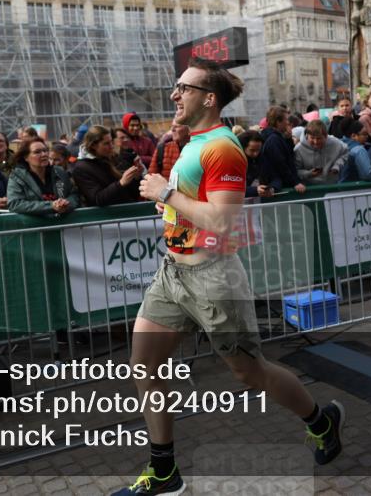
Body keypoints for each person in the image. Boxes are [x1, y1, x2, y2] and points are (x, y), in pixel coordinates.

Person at [114, 57, 343, 495]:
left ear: (209, 98)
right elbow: (187, 207)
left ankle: (321, 419)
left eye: (184, 87)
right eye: (176, 87)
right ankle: (164, 473)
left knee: (249, 372)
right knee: (144, 365)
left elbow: (221, 222)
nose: (175, 94)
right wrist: (161, 198)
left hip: (214, 279)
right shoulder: (193, 142)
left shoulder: (223, 146)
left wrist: (164, 191)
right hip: (172, 274)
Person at [72, 126, 143, 207]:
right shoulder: (81, 168)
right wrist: (121, 183)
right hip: (105, 217)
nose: (111, 146)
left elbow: (132, 193)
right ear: (93, 145)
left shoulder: (114, 158)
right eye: (106, 143)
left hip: (127, 211)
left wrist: (136, 177)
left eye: (111, 142)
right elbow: (97, 199)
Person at [7, 136, 79, 216]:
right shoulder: (17, 177)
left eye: (45, 150)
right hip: (35, 226)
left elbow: (74, 195)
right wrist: (51, 206)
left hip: (63, 224)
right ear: (26, 157)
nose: (44, 154)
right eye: (37, 152)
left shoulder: (59, 172)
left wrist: (66, 204)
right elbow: (15, 204)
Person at [259, 106, 306, 194]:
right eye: (286, 119)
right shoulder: (273, 139)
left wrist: (288, 139)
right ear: (278, 122)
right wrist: (294, 183)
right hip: (280, 186)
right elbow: (281, 164)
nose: (288, 122)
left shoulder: (277, 137)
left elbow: (288, 156)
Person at [294, 120, 348, 185]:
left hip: (332, 186)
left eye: (319, 138)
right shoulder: (298, 149)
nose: (315, 141)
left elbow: (345, 153)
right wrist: (308, 173)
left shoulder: (335, 142)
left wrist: (337, 166)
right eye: (312, 138)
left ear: (326, 136)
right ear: (307, 135)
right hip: (309, 189)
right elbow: (295, 170)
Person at [338, 118, 371, 183]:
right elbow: (367, 174)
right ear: (353, 136)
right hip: (355, 189)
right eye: (364, 134)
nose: (367, 136)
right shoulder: (359, 150)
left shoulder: (337, 146)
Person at [238, 130, 273, 198]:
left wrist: (272, 188)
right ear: (243, 147)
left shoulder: (264, 158)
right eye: (252, 150)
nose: (256, 153)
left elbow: (275, 177)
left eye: (258, 150)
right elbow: (233, 187)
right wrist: (254, 190)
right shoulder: (236, 162)